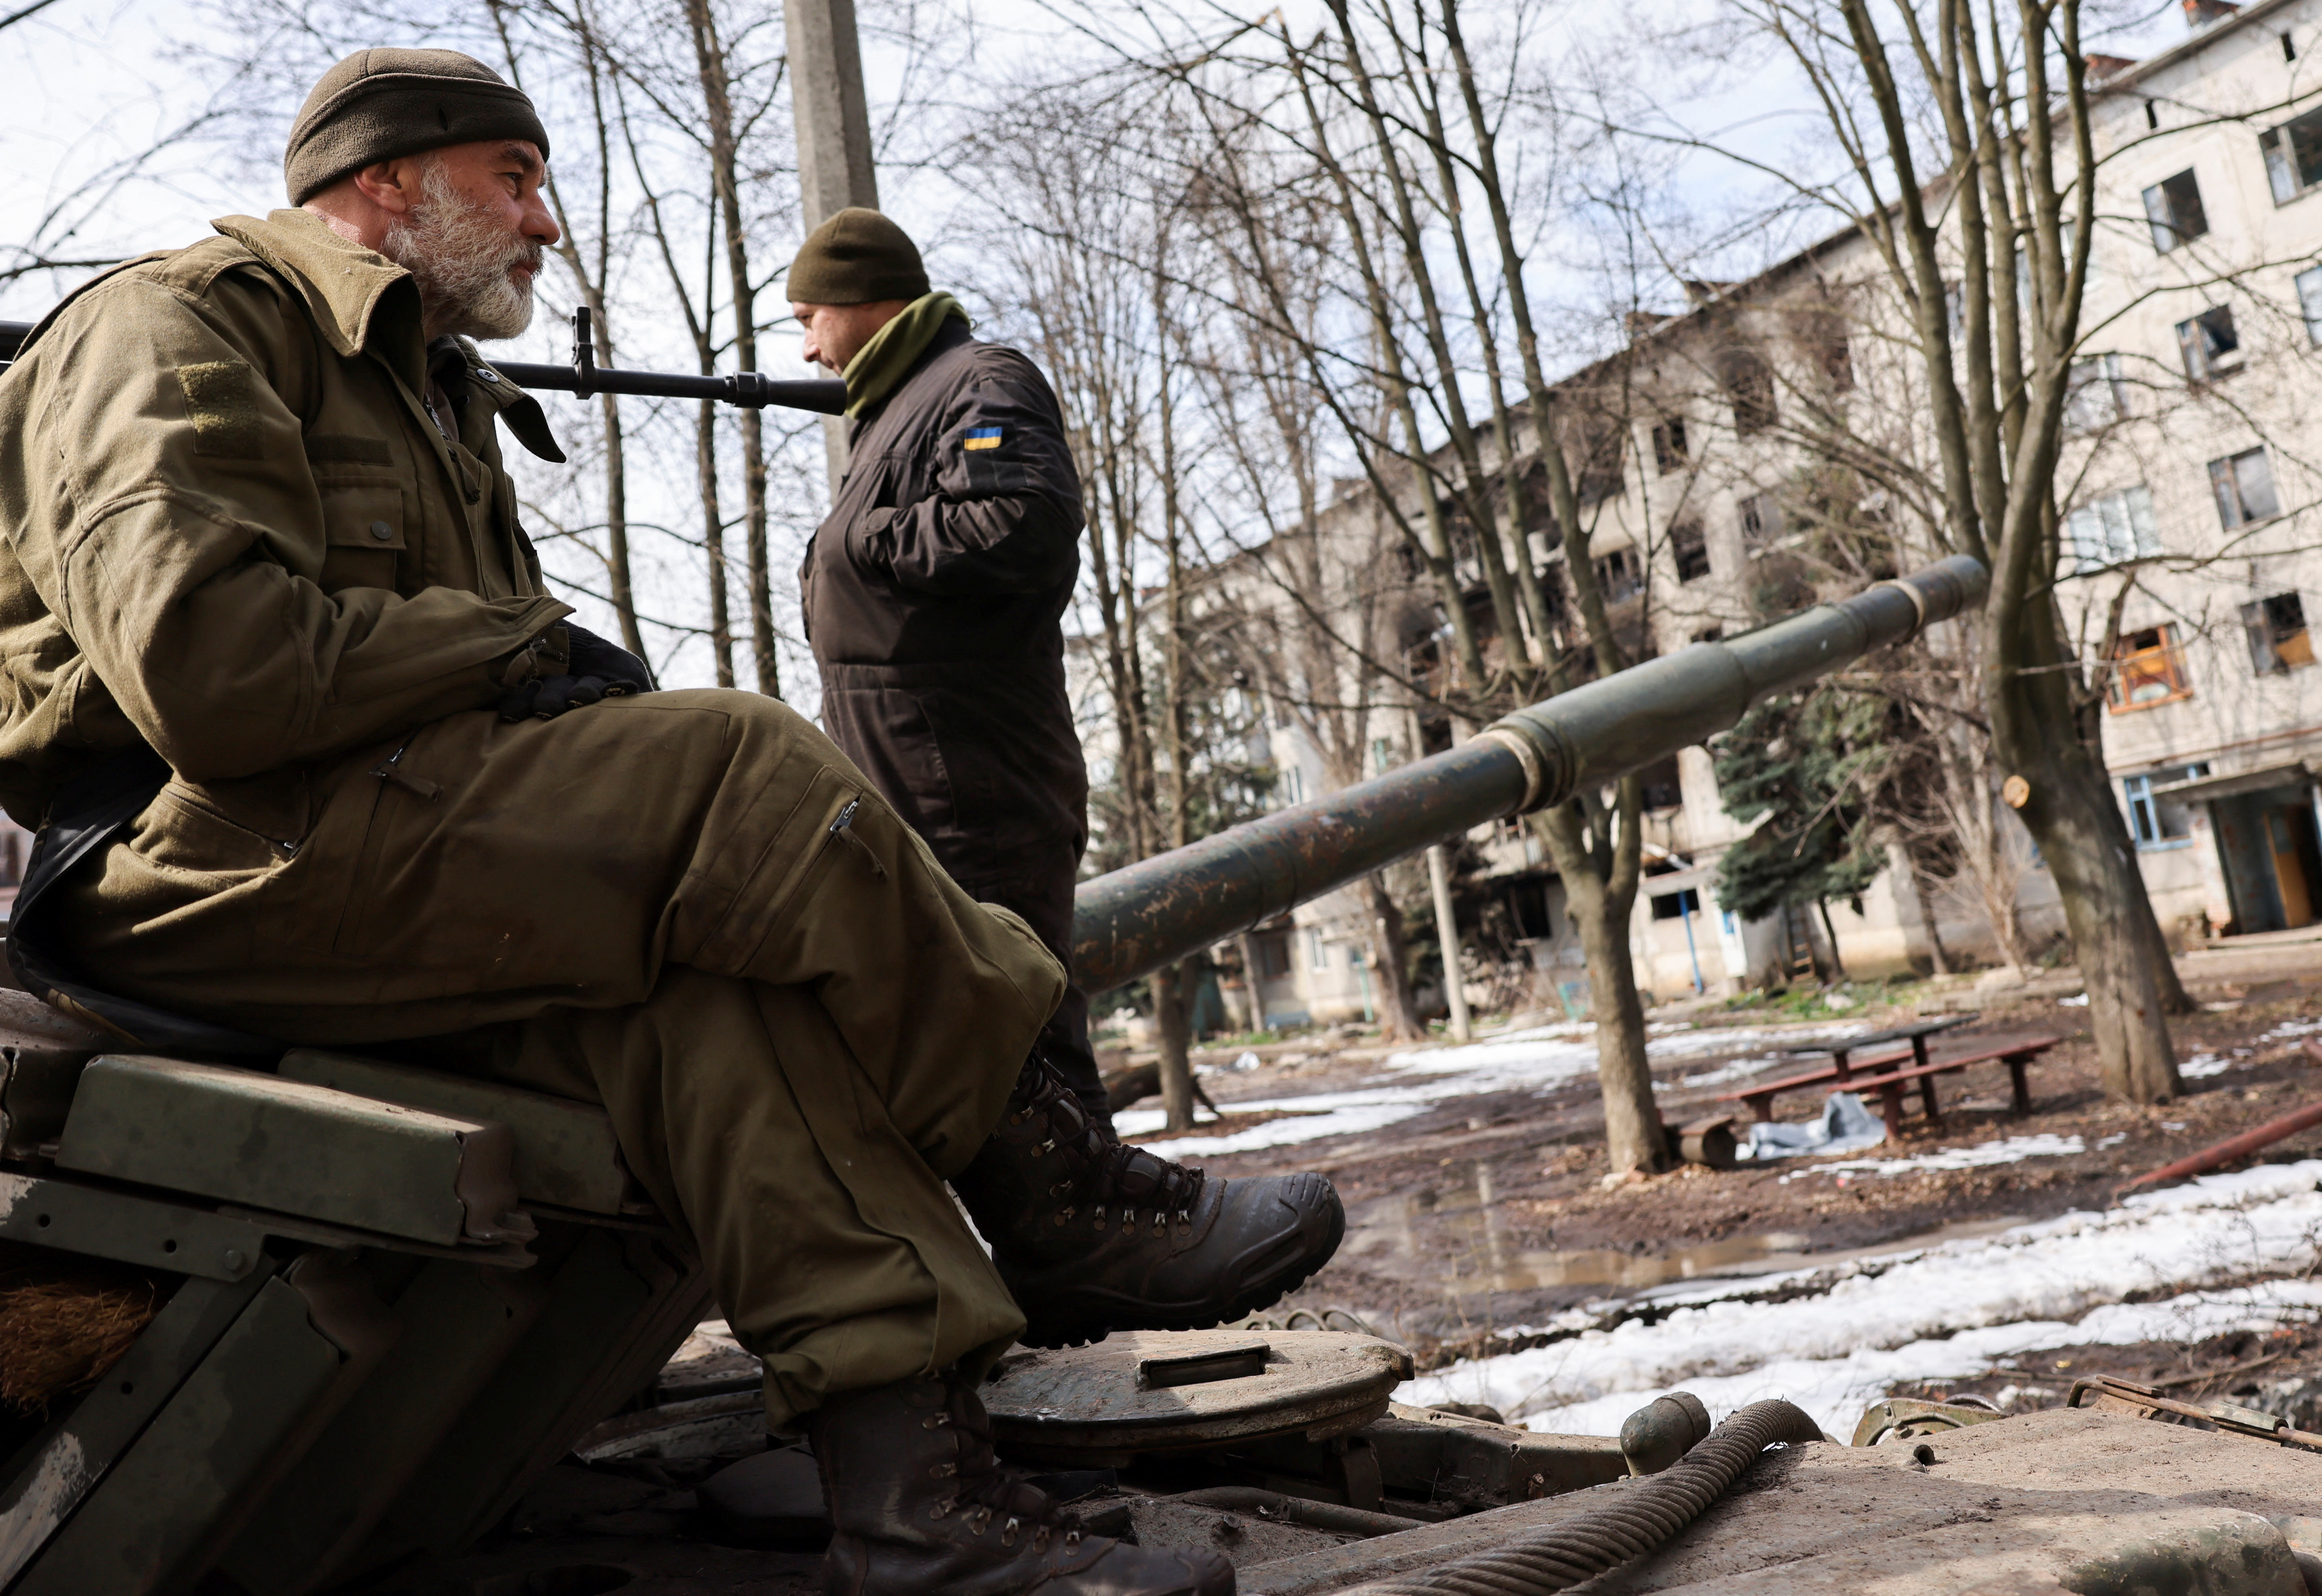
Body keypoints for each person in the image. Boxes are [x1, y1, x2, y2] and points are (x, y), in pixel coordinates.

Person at [0, 49, 1237, 1596]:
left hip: (366, 847)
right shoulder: (171, 327)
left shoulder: (433, 387)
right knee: (734, 756)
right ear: (390, 180)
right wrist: (521, 648)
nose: (547, 226)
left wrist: (536, 682)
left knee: (711, 1002)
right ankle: (1047, 1183)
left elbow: (425, 692)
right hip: (193, 864)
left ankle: (917, 1502)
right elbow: (220, 679)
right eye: (515, 181)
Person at [791, 212, 1340, 1349]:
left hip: (970, 763)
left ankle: (1092, 1227)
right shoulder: (901, 410)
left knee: (1015, 992)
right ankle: (1055, 1243)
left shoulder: (976, 378)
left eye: (808, 315)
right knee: (963, 998)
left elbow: (1018, 523)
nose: (804, 347)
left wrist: (861, 545)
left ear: (863, 295)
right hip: (913, 761)